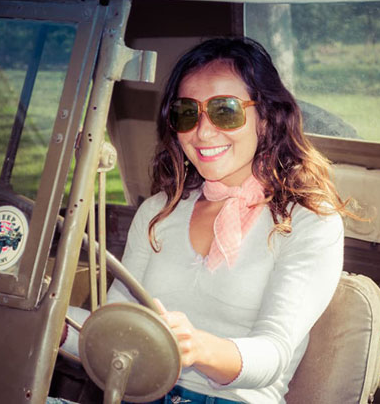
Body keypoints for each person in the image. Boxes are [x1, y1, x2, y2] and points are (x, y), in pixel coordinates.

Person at [63, 37, 347, 404]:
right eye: (186, 113)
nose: (203, 131)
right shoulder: (158, 211)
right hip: (137, 393)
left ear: (266, 118)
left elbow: (273, 354)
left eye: (225, 110)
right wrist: (53, 322)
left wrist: (197, 348)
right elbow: (113, 330)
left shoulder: (309, 221)